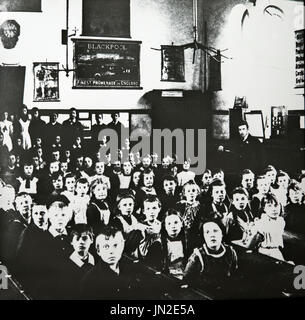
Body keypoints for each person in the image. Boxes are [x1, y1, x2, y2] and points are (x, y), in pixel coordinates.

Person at [80, 225, 141, 299]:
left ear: (122, 247)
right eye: (106, 246)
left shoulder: (132, 271)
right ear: (98, 251)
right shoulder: (90, 280)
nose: (111, 251)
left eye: (115, 245)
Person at [183, 220, 238, 288]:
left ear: (222, 234)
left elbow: (234, 274)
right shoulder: (197, 256)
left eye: (215, 231)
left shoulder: (230, 252)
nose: (212, 235)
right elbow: (186, 280)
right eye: (207, 232)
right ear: (203, 236)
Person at [255, 193, 285, 261]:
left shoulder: (281, 221)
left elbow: (273, 229)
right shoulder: (261, 220)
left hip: (275, 250)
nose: (274, 209)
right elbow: (264, 228)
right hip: (263, 251)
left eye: (276, 205)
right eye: (269, 206)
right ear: (264, 208)